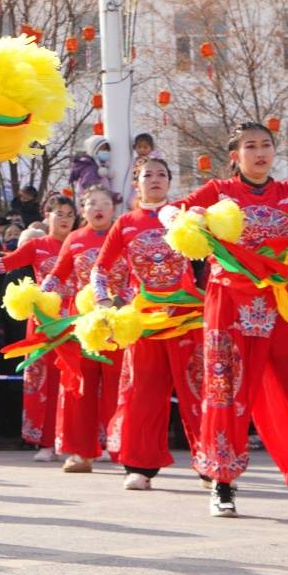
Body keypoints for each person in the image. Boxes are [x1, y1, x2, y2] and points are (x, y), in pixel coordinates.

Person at [169, 122, 288, 521]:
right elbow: (174, 212)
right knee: (225, 392)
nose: (260, 152)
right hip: (229, 303)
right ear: (235, 155)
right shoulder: (218, 192)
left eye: (266, 145)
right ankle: (222, 481)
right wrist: (187, 215)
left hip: (279, 303)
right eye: (250, 146)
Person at [89, 156, 204, 490]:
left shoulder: (184, 218)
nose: (154, 179)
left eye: (161, 174)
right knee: (142, 393)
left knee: (197, 390)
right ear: (136, 183)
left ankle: (211, 466)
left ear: (170, 181)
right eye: (146, 175)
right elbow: (101, 268)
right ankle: (139, 466)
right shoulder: (125, 223)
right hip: (145, 320)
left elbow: (217, 254)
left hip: (185, 316)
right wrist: (104, 302)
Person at [0, 197, 75, 457]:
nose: (65, 218)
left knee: (72, 381)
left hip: (75, 320)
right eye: (59, 213)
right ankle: (45, 442)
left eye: (69, 214)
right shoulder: (38, 245)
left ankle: (74, 441)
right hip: (44, 323)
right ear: (47, 217)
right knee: (42, 382)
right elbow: (4, 263)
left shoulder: (78, 241)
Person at [39, 186, 122, 474]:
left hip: (120, 320)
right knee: (79, 388)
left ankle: (125, 448)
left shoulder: (122, 231)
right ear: (82, 211)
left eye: (105, 202)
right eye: (91, 203)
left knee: (120, 386)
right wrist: (38, 297)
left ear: (113, 208)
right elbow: (57, 275)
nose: (98, 208)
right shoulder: (74, 239)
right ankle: (79, 452)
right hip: (83, 324)